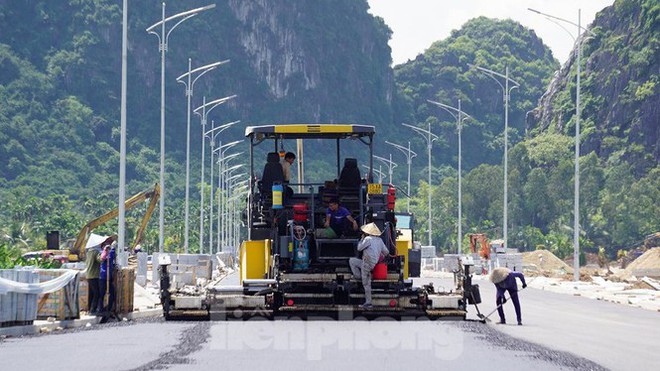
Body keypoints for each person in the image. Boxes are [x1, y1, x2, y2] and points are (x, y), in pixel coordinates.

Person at [349, 223, 389, 308]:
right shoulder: (380, 240)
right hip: (372, 263)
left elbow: (359, 248)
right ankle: (359, 276)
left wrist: (361, 239)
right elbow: (386, 252)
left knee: (366, 283)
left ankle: (368, 303)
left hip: (367, 263)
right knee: (352, 261)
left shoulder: (368, 239)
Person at [99, 236, 117, 314]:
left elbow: (113, 256)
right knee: (102, 294)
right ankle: (101, 309)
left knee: (112, 293)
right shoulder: (102, 253)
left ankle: (109, 308)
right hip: (103, 277)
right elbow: (102, 258)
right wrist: (106, 251)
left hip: (109, 277)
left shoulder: (111, 253)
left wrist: (112, 249)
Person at [84, 243, 102, 315]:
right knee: (97, 293)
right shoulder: (96, 252)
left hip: (88, 275)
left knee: (91, 293)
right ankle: (93, 310)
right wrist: (104, 253)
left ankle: (89, 309)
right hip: (94, 275)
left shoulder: (88, 252)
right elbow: (100, 260)